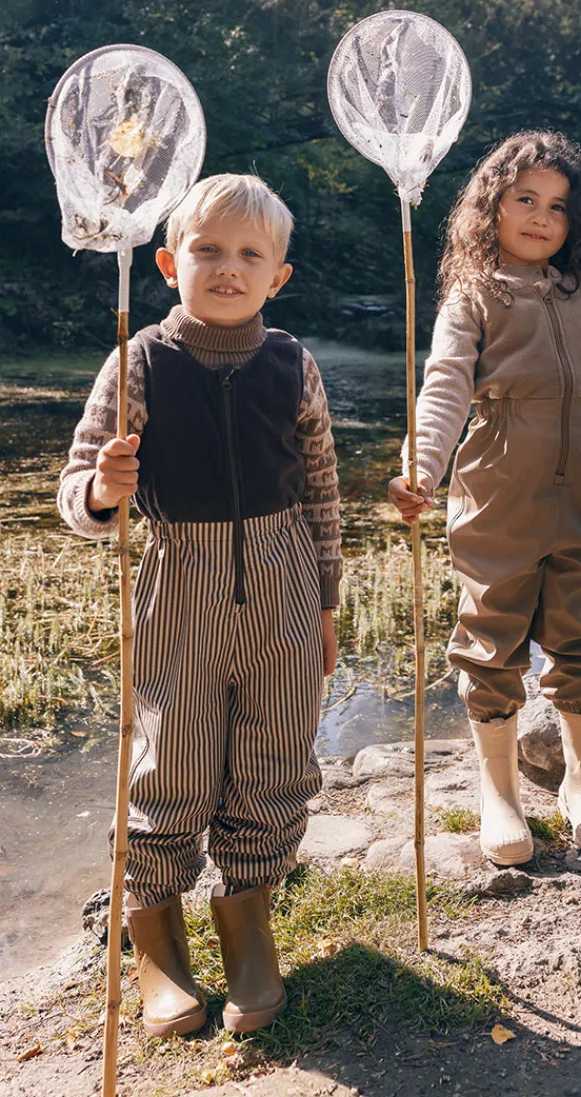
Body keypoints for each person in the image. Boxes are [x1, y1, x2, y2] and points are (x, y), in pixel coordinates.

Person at [57, 174, 342, 1036]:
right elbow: (76, 492)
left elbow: (322, 489)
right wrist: (103, 491)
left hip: (286, 579)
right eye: (208, 250)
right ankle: (156, 937)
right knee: (170, 761)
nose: (228, 268)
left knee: (276, 754)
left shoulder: (293, 363)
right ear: (169, 263)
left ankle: (248, 922)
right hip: (181, 580)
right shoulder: (138, 361)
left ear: (277, 277)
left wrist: (326, 604)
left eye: (250, 255)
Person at [389, 131, 581, 865]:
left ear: (576, 221)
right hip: (499, 492)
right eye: (525, 198)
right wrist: (422, 467)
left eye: (558, 206)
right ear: (491, 205)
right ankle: (499, 793)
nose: (540, 216)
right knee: (490, 637)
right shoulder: (476, 294)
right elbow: (445, 387)